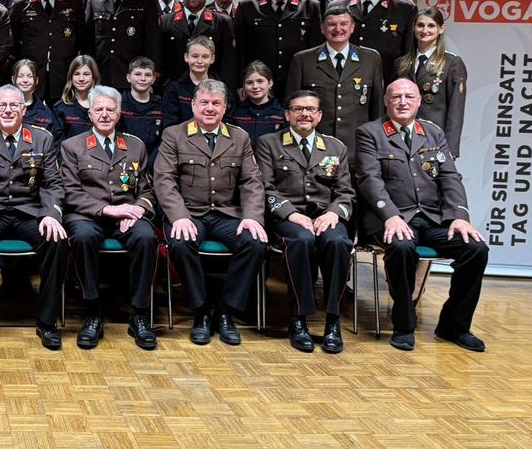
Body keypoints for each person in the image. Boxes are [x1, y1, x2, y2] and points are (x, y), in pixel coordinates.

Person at [355, 79, 488, 353]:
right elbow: (369, 179)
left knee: (475, 249)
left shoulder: (433, 132)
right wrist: (390, 215)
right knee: (402, 247)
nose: (402, 102)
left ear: (418, 101)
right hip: (388, 220)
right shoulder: (370, 132)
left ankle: (454, 325)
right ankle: (404, 324)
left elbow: (449, 176)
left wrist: (459, 216)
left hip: (432, 218)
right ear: (386, 101)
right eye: (396, 97)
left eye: (409, 96)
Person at [155, 79, 267, 347]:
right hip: (190, 213)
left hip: (227, 214)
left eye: (216, 103)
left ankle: (226, 312)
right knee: (180, 243)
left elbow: (251, 181)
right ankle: (201, 311)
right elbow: (164, 179)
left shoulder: (239, 137)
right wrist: (179, 216)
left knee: (255, 243)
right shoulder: (174, 134)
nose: (209, 108)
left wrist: (251, 217)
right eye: (204, 102)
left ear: (225, 107)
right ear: (193, 105)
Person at [0, 84, 68, 350]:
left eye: (13, 105)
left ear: (24, 109)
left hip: (29, 212)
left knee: (57, 241)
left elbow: (53, 184)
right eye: (2, 106)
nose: (7, 110)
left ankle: (47, 323)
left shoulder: (41, 138)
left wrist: (51, 214)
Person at [255, 90, 354, 354]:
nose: (304, 114)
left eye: (310, 109)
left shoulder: (335, 147)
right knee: (301, 239)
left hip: (325, 215)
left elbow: (345, 192)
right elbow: (265, 187)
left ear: (319, 115)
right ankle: (298, 320)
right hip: (286, 216)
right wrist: (291, 213)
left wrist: (334, 213)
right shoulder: (269, 143)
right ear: (287, 114)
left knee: (338, 242)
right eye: (298, 109)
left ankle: (333, 321)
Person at [60, 86, 157, 350]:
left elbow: (146, 190)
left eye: (110, 110)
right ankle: (92, 312)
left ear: (119, 114)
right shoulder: (72, 146)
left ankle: (139, 314)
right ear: (89, 114)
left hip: (128, 215)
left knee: (146, 237)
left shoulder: (135, 145)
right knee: (82, 237)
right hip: (87, 216)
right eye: (99, 109)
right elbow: (70, 191)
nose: (104, 114)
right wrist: (107, 210)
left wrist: (139, 210)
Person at [285, 4, 384, 154]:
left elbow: (377, 108)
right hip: (315, 145)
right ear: (322, 28)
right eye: (331, 24)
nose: (338, 29)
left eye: (343, 24)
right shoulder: (303, 60)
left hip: (357, 145)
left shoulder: (370, 59)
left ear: (352, 27)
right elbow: (291, 105)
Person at [233, 0, 323, 99]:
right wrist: (240, 83)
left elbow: (316, 49)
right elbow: (239, 52)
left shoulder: (310, 7)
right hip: (258, 85)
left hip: (297, 82)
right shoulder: (248, 7)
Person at [10, 0, 87, 105]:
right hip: (31, 79)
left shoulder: (73, 0)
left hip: (64, 77)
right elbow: (13, 44)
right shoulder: (20, 4)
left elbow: (83, 40)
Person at [395, 6, 467, 157]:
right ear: (414, 28)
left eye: (431, 26)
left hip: (433, 139)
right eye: (420, 25)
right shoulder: (401, 63)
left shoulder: (451, 63)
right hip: (400, 138)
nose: (425, 30)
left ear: (441, 29)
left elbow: (456, 111)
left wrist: (450, 150)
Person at [87, 0, 162, 89]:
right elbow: (88, 42)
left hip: (134, 81)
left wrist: (149, 79)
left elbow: (153, 44)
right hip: (101, 79)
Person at [161, 0, 238, 90]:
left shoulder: (222, 22)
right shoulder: (166, 21)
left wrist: (227, 91)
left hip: (211, 89)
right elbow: (159, 57)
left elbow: (228, 63)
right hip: (174, 89)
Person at [348, 0, 417, 82]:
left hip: (386, 83)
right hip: (346, 84)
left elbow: (408, 54)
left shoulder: (404, 9)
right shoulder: (340, 6)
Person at [224, 61, 287, 144]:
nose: (255, 86)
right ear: (243, 86)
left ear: (270, 83)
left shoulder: (282, 114)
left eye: (260, 81)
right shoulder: (235, 113)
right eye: (249, 83)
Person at [162, 35, 217, 129]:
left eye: (205, 57)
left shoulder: (221, 89)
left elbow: (226, 121)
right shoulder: (174, 88)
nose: (200, 61)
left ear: (212, 58)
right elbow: (170, 123)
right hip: (181, 136)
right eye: (195, 56)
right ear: (186, 57)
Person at [118, 57, 165, 163]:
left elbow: (163, 138)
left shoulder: (160, 106)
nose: (143, 79)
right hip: (123, 160)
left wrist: (152, 162)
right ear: (128, 77)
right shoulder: (119, 104)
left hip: (153, 161)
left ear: (153, 79)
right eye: (138, 74)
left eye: (147, 75)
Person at [53, 54, 99, 140]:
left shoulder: (102, 106)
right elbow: (58, 143)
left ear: (94, 77)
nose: (81, 79)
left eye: (86, 74)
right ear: (71, 77)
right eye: (77, 74)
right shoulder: (61, 107)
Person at [12, 59, 61, 139]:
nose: (25, 80)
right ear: (13, 79)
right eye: (20, 76)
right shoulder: (2, 108)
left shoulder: (45, 113)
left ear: (36, 80)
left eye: (30, 76)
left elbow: (50, 141)